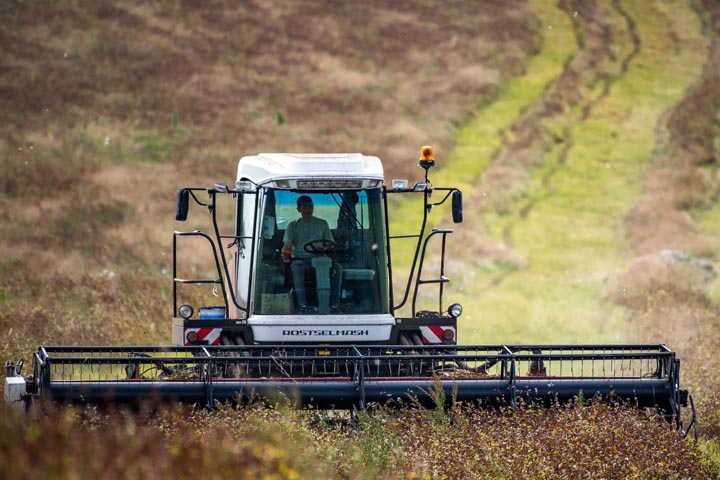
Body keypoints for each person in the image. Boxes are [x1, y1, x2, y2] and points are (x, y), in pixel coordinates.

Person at [281, 195, 342, 312]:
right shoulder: (293, 226)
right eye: (305, 207)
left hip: (320, 258)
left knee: (338, 268)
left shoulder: (322, 224)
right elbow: (287, 246)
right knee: (297, 268)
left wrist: (323, 247)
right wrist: (285, 253)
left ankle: (334, 305)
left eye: (310, 206)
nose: (308, 210)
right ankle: (302, 305)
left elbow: (330, 243)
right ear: (298, 209)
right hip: (301, 259)